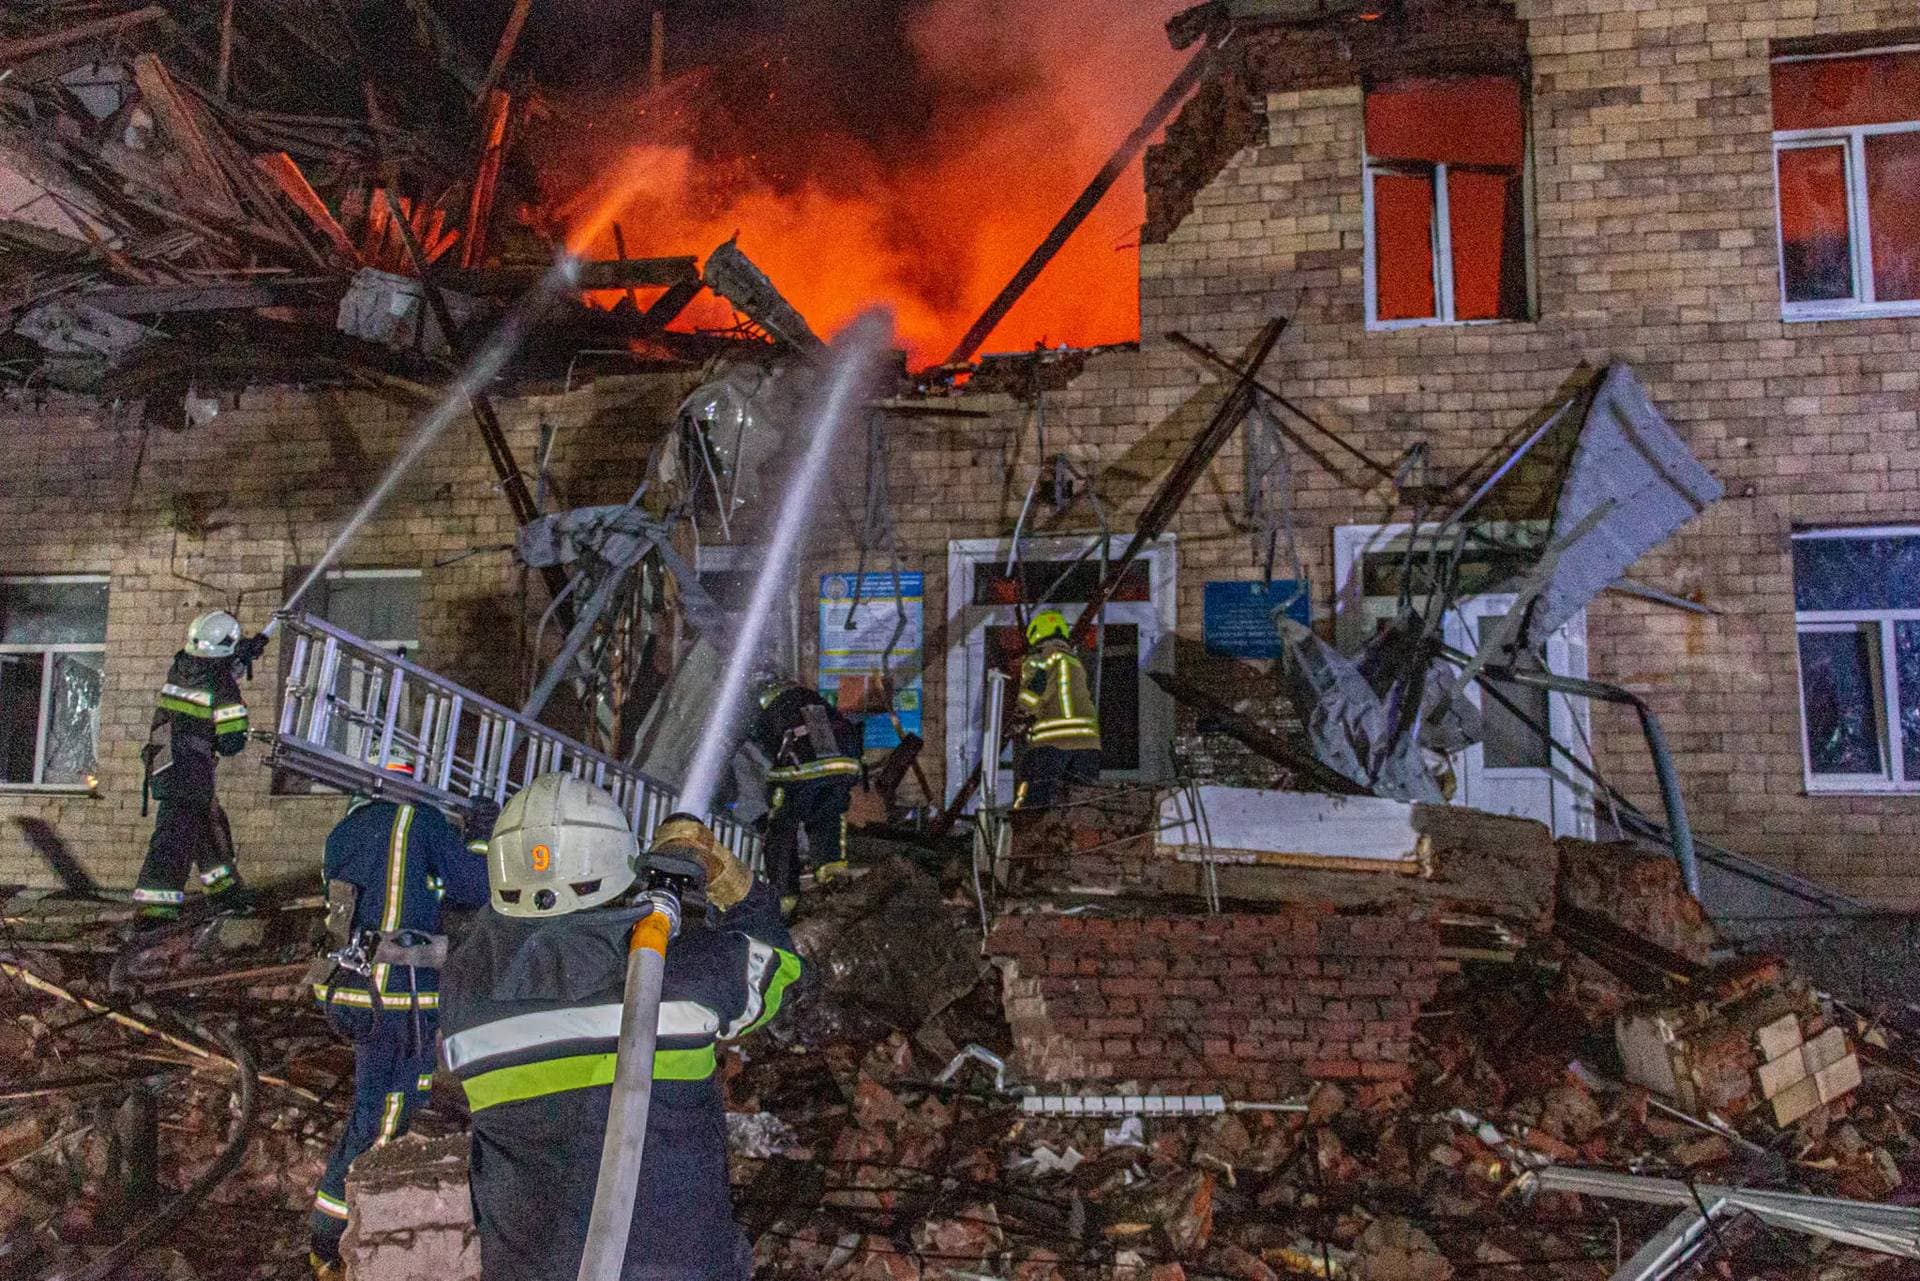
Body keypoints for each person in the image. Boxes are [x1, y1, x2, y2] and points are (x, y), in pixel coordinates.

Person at [439, 774, 801, 1281]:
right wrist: (723, 875)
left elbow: (518, 939)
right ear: (617, 864)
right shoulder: (683, 976)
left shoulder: (465, 995)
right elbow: (782, 965)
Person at [305, 749, 496, 1280]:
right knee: (388, 1113)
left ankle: (332, 1226)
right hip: (396, 994)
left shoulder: (344, 830)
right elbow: (476, 887)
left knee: (372, 1108)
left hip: (350, 989)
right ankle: (339, 1239)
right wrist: (481, 836)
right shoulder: (417, 819)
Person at [133, 611, 269, 924]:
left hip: (165, 759)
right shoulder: (222, 685)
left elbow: (213, 668)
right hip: (190, 767)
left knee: (206, 826)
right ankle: (155, 910)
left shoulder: (182, 664)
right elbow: (231, 743)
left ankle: (224, 892)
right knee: (175, 836)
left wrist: (244, 652)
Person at [747, 672, 862, 910]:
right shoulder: (806, 697)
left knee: (780, 826)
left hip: (804, 767)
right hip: (844, 765)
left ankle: (784, 896)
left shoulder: (760, 706)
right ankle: (832, 874)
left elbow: (751, 746)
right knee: (827, 815)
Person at [1012, 610, 1103, 811]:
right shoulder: (1074, 660)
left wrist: (1019, 717)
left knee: (1033, 801)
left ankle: (1029, 838)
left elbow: (1034, 692)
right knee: (1080, 805)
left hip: (1053, 742)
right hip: (1089, 744)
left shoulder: (1040, 657)